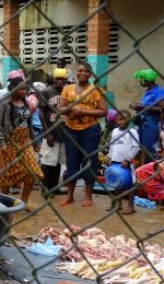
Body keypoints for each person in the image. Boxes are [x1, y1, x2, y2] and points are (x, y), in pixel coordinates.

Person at [0, 77, 43, 211]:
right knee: (7, 174)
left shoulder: (26, 103)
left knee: (33, 171)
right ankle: (6, 203)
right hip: (8, 141)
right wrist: (2, 144)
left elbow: (29, 123)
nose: (25, 92)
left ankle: (23, 202)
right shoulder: (3, 104)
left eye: (25, 89)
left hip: (25, 140)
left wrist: (34, 140)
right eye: (21, 89)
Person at [58, 63, 107, 207]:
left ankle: (88, 196)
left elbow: (104, 111)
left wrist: (83, 111)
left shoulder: (96, 90)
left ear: (90, 74)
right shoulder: (68, 88)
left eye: (86, 71)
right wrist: (72, 108)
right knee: (71, 161)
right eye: (79, 70)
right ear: (76, 73)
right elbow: (60, 108)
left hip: (90, 130)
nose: (82, 73)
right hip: (71, 129)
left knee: (89, 161)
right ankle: (70, 195)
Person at [39, 68, 68, 196]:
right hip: (51, 132)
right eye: (57, 79)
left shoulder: (68, 92)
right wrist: (47, 132)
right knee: (47, 162)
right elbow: (41, 114)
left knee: (58, 163)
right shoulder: (46, 92)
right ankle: (45, 188)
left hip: (64, 133)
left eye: (62, 79)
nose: (60, 82)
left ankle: (54, 186)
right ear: (53, 79)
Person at [107, 110, 141, 215]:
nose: (123, 121)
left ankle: (130, 205)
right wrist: (110, 157)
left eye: (125, 119)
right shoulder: (115, 131)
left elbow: (136, 147)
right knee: (118, 182)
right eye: (120, 119)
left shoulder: (132, 132)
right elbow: (112, 145)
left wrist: (127, 159)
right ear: (116, 120)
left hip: (127, 163)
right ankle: (118, 204)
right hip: (116, 161)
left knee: (130, 183)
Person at [129, 69, 164, 165]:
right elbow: (149, 106)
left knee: (150, 149)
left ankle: (151, 172)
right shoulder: (148, 91)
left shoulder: (160, 92)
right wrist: (138, 106)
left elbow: (161, 109)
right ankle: (142, 171)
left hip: (152, 125)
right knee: (141, 148)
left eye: (141, 79)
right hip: (143, 124)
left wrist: (142, 106)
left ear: (147, 80)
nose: (140, 81)